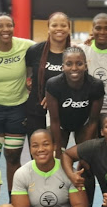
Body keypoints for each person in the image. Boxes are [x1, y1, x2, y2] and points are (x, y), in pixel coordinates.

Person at [0, 12, 35, 193]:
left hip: (18, 109)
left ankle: (14, 203)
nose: (5, 29)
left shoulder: (26, 46)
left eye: (9, 25)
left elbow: (50, 51)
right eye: (0, 26)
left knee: (12, 157)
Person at [45, 47, 105, 204]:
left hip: (84, 124)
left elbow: (93, 120)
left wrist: (85, 150)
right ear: (62, 66)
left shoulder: (96, 85)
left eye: (79, 64)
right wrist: (58, 148)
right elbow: (55, 120)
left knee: (87, 165)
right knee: (55, 162)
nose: (74, 68)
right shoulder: (53, 84)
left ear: (85, 65)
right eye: (69, 64)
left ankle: (86, 206)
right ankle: (55, 203)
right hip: (60, 125)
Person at [24, 12, 72, 140]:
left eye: (63, 25)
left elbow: (79, 81)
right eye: (54, 25)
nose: (59, 28)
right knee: (38, 154)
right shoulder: (35, 51)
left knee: (58, 154)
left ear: (69, 28)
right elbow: (27, 75)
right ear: (48, 28)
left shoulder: (74, 53)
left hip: (63, 111)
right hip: (35, 110)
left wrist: (54, 96)